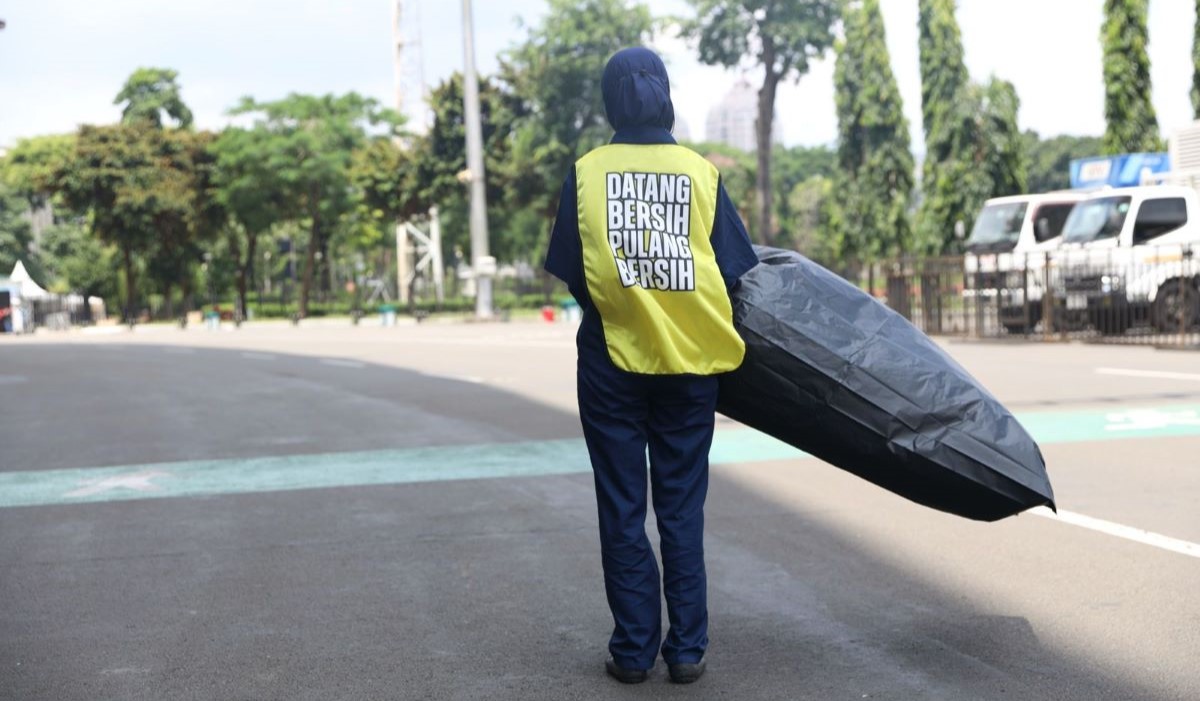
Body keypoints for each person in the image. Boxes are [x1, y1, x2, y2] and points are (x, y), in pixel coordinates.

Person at [543, 46, 758, 685]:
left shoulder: (586, 173)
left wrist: (626, 306)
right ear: (665, 93)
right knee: (681, 508)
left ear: (610, 100)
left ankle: (633, 651)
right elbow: (734, 272)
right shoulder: (701, 173)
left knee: (622, 506)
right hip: (691, 367)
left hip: (610, 361)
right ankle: (686, 650)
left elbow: (575, 273)